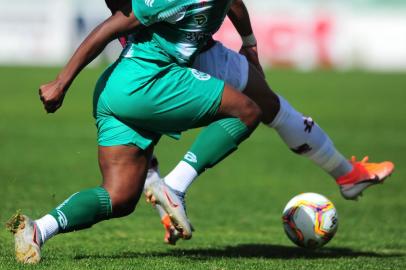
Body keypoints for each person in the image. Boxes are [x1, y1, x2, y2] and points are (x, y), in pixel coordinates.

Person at [7, 0, 265, 264]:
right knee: (247, 112)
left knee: (118, 197)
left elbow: (234, 4)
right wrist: (61, 82)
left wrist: (249, 42)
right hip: (150, 82)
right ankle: (175, 186)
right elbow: (114, 24)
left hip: (114, 92)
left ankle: (38, 229)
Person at [142, 0, 395, 245]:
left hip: (141, 59)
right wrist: (250, 43)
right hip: (195, 51)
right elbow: (233, 3)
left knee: (135, 143)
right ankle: (348, 175)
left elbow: (124, 16)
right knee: (269, 108)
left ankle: (165, 205)